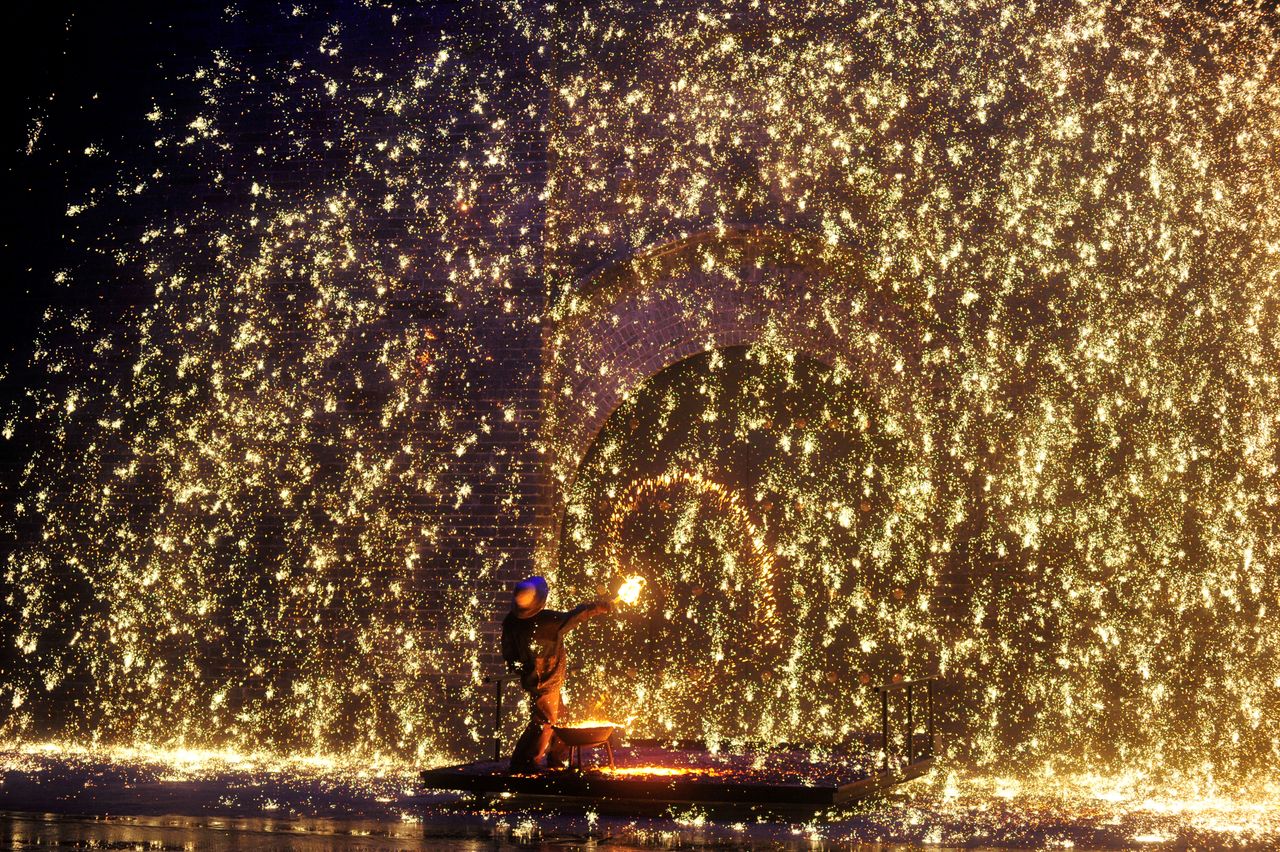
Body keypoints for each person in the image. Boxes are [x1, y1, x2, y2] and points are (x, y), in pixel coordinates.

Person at [500, 575, 613, 772]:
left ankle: (556, 758)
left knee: (560, 719)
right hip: (548, 681)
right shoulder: (548, 622)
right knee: (544, 720)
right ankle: (523, 762)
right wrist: (598, 607)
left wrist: (524, 670)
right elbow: (575, 616)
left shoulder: (511, 622)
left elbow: (509, 655)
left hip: (536, 679)